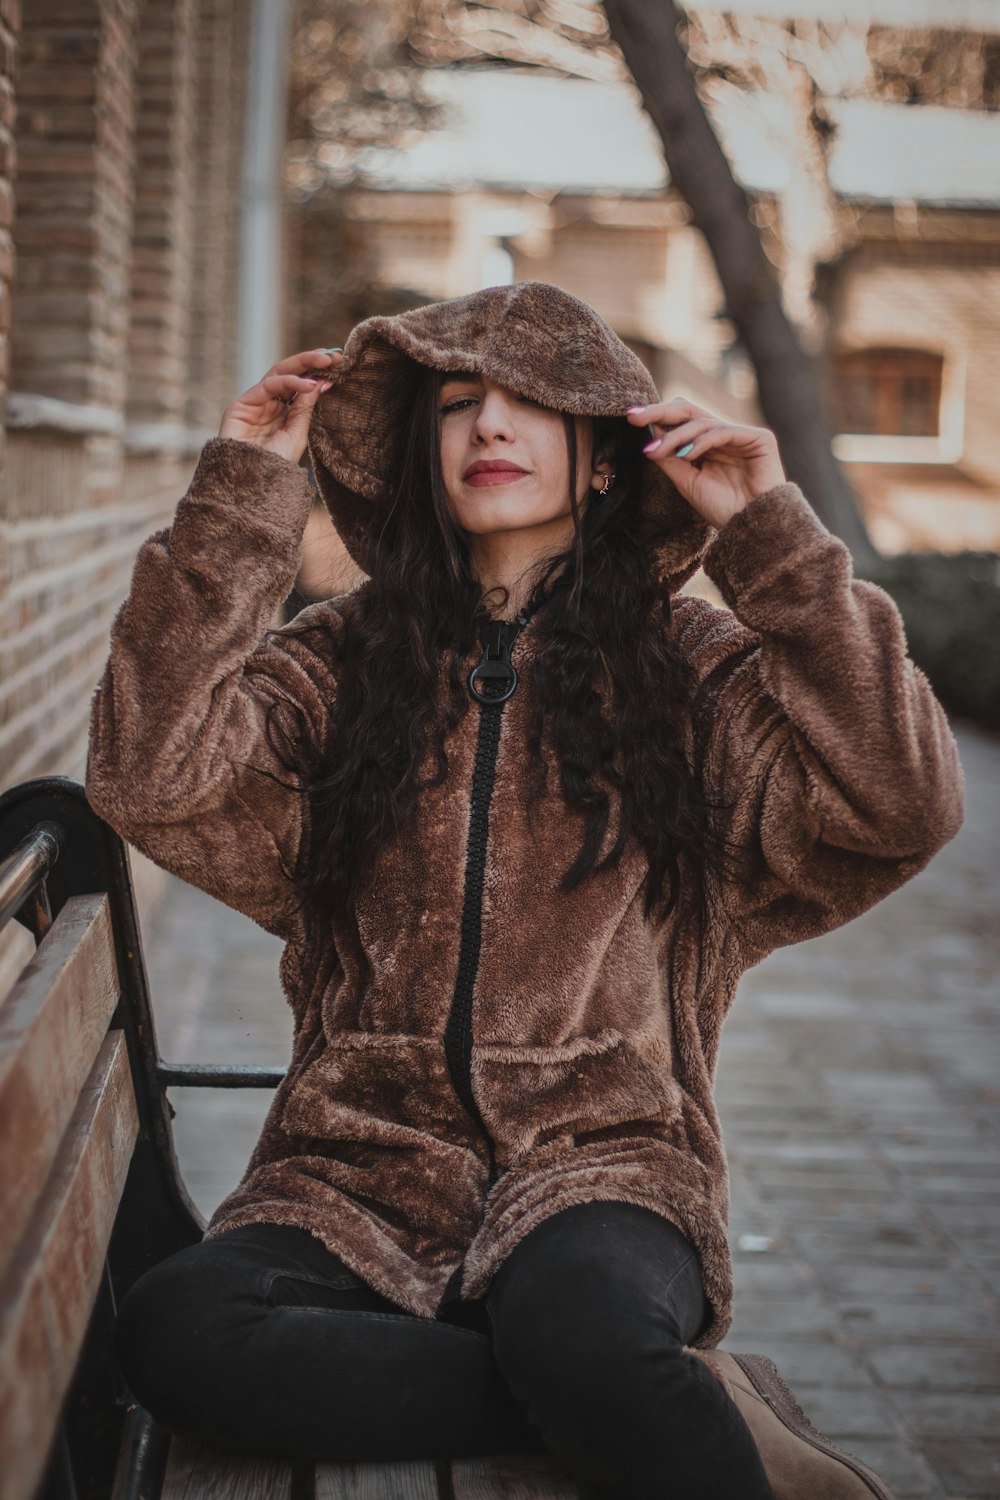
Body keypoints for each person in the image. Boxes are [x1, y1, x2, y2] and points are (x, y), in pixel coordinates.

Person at [87, 281, 964, 1499]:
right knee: (177, 1337)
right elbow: (148, 773)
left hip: (602, 1162)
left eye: (530, 404)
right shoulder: (343, 661)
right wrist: (240, 496)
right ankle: (644, 1395)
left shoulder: (691, 671)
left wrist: (773, 538)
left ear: (603, 459)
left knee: (587, 1329)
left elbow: (902, 801)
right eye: (457, 406)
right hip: (354, 1173)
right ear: (421, 454)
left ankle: (610, 1374)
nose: (488, 428)